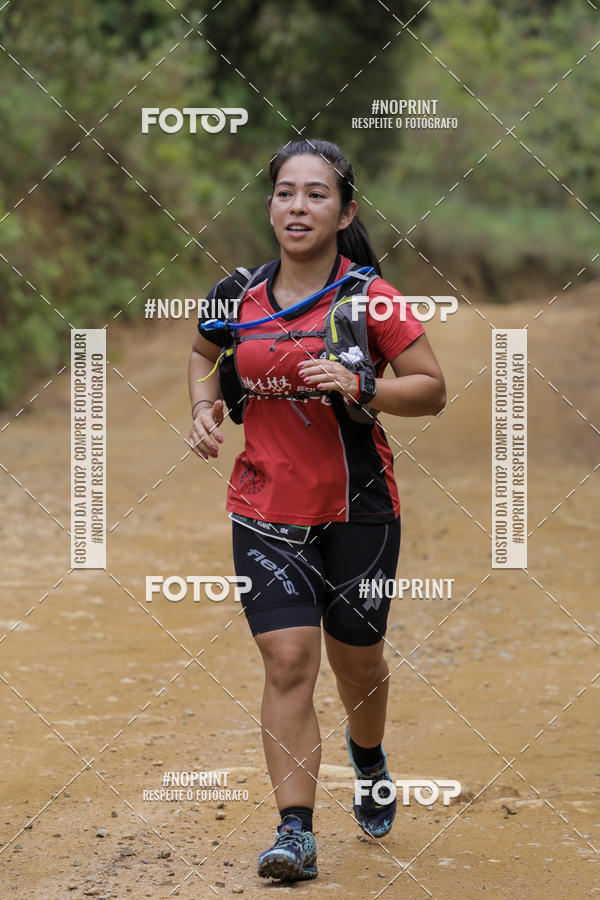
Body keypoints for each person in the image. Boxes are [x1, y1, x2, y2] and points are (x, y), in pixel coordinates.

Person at [187, 139, 446, 883]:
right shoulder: (234, 296)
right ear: (269, 206)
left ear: (345, 211)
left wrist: (362, 386)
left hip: (358, 509)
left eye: (317, 195)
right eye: (286, 194)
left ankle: (369, 759)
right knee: (289, 660)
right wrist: (204, 409)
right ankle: (294, 831)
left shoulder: (371, 297)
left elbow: (430, 388)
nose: (298, 207)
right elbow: (203, 355)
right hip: (264, 505)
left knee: (357, 662)